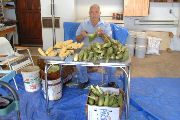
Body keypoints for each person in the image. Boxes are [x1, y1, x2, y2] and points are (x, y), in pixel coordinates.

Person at [76, 4, 117, 89]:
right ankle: (84, 80)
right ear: (89, 13)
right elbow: (77, 39)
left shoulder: (105, 25)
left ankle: (111, 81)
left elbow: (110, 41)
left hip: (102, 50)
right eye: (91, 12)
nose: (94, 14)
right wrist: (82, 36)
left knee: (112, 61)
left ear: (100, 13)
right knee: (78, 61)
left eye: (96, 12)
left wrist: (102, 34)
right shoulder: (83, 24)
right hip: (86, 50)